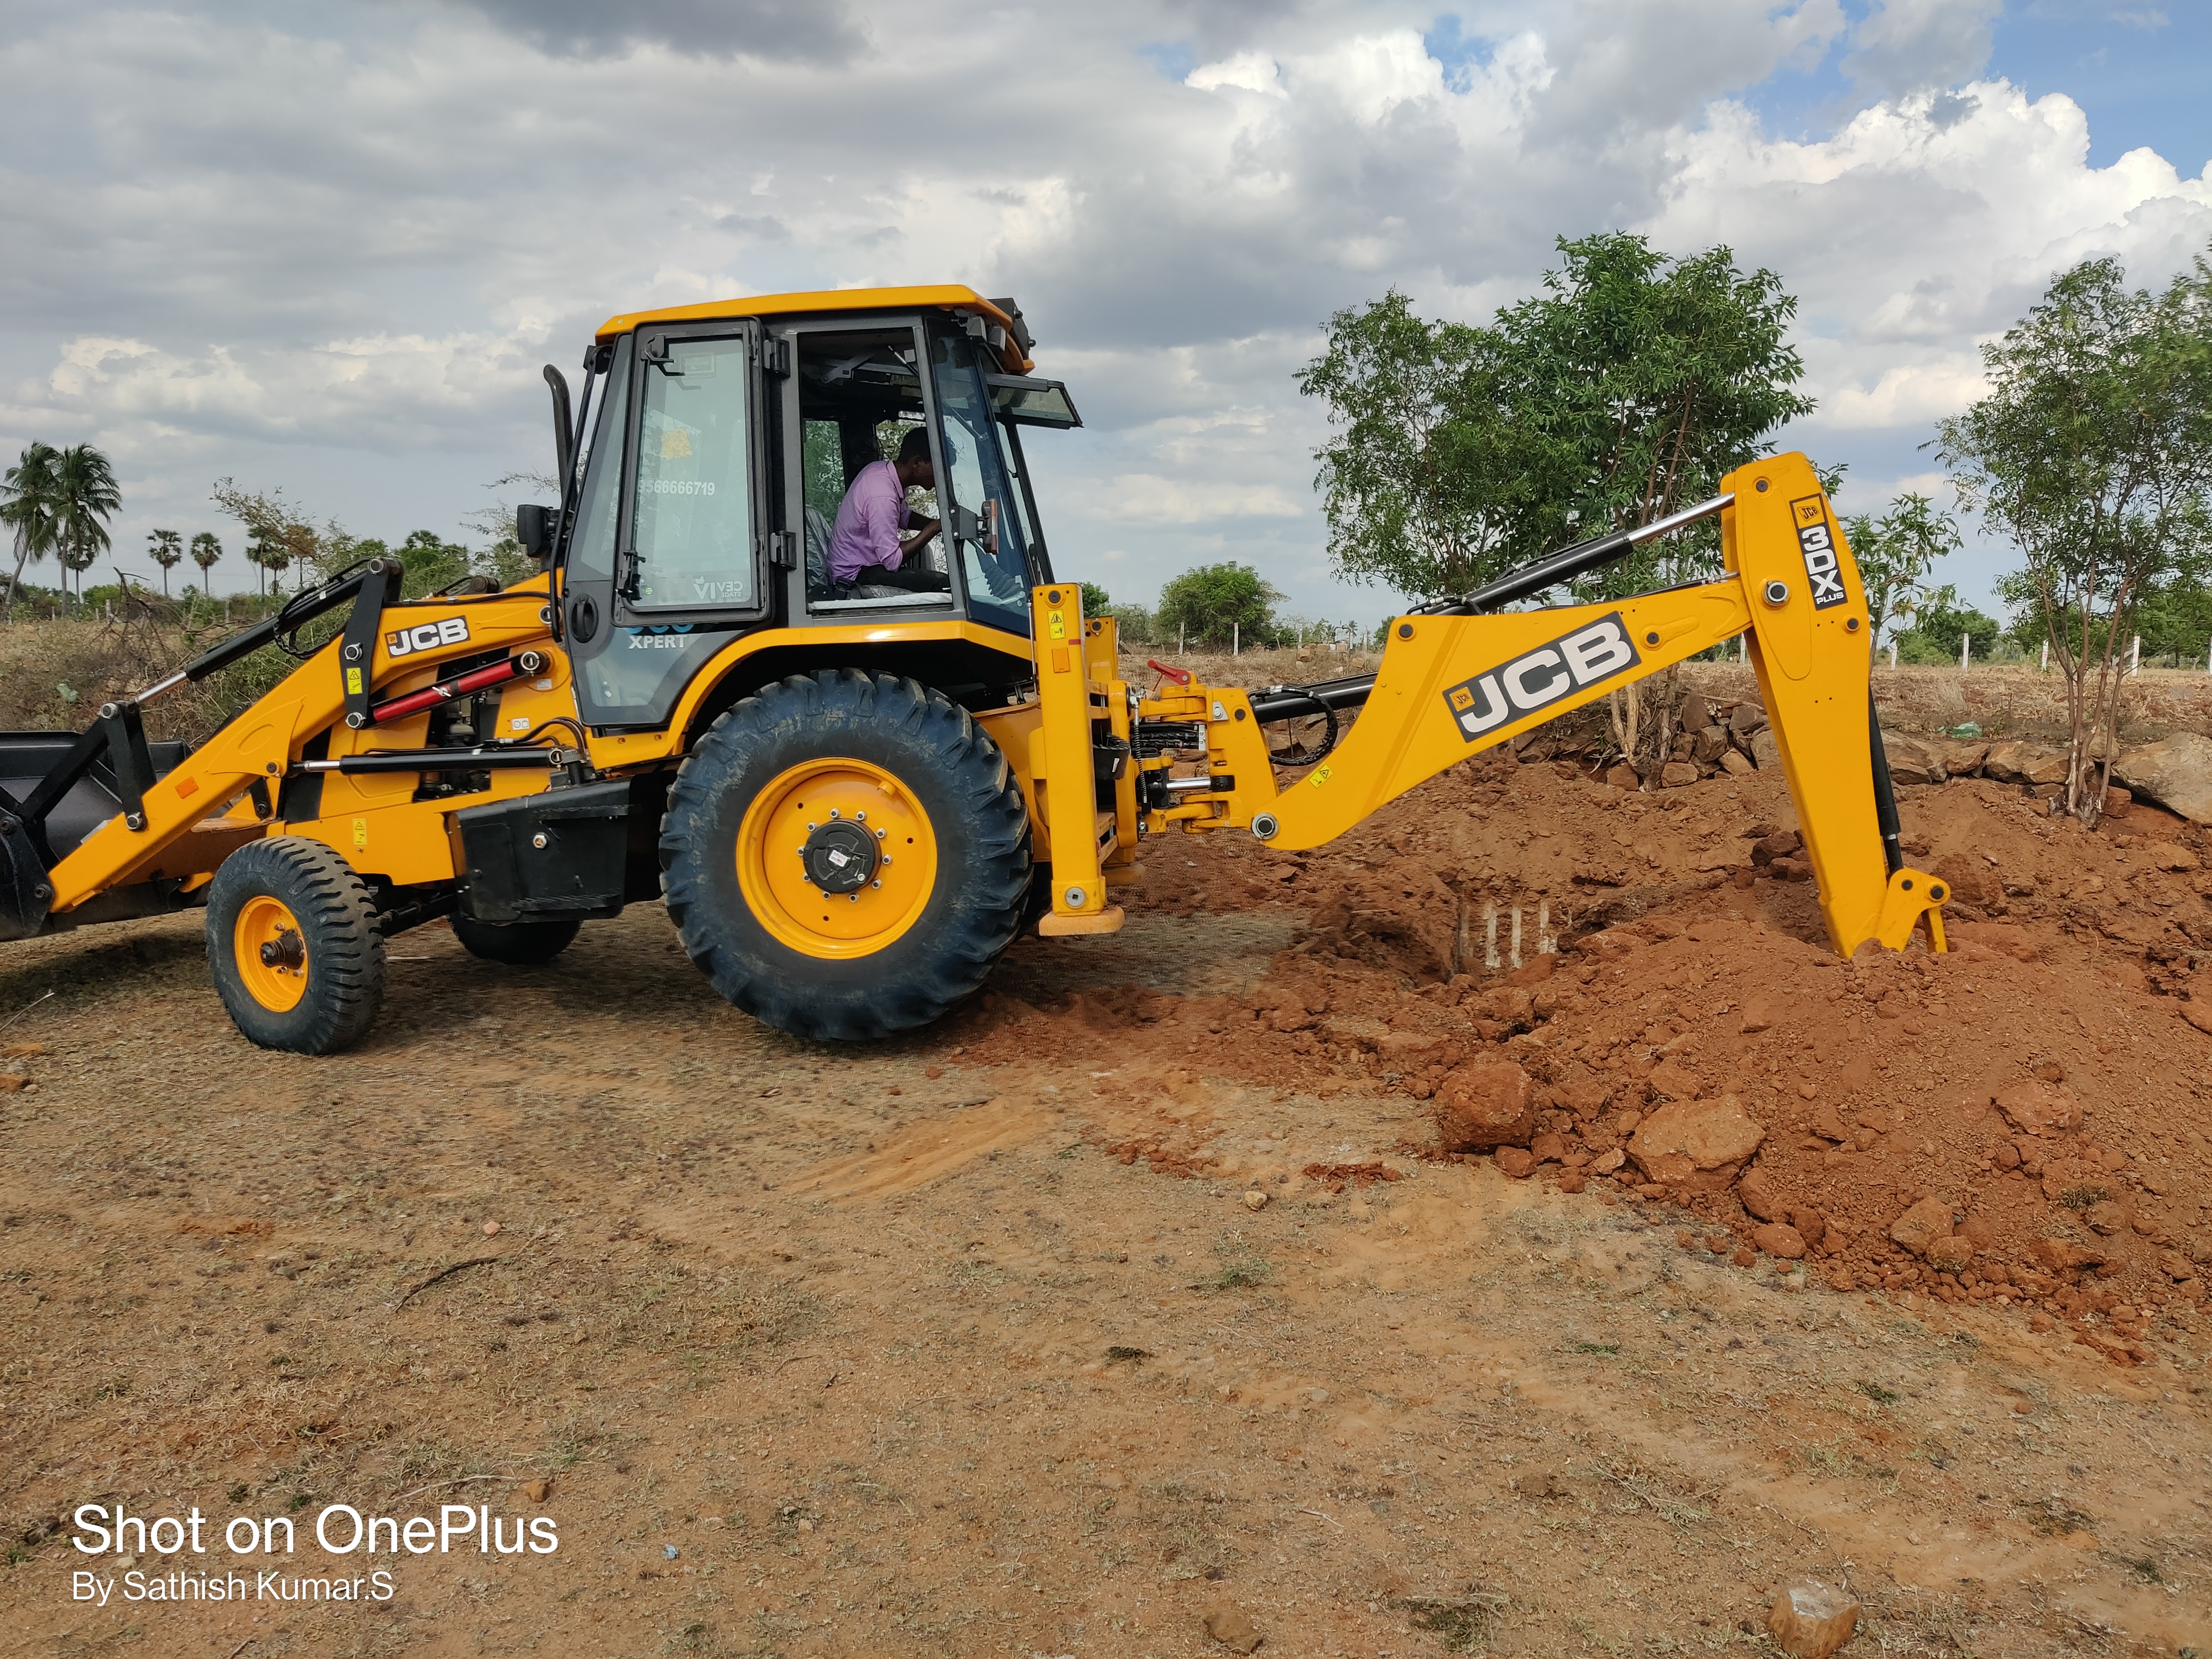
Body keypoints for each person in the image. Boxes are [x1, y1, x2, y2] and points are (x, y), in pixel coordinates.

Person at [826, 427, 951, 593]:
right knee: (944, 584)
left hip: (865, 564)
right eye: (940, 468)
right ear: (917, 463)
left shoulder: (881, 471)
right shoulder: (882, 495)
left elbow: (904, 517)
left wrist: (941, 524)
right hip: (854, 576)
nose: (944, 476)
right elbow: (892, 561)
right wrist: (933, 529)